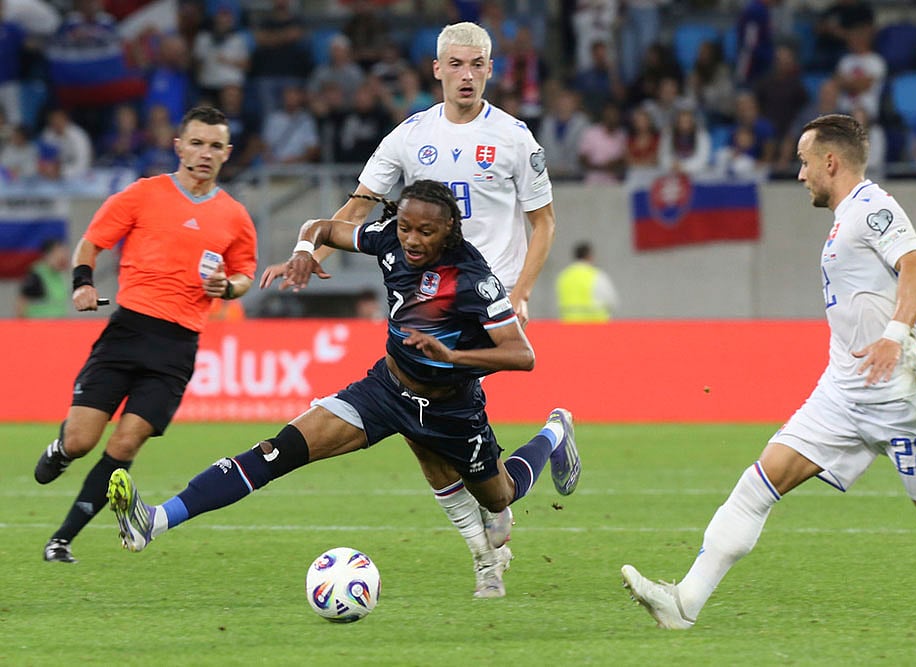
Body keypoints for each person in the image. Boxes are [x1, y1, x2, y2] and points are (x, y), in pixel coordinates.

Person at [107, 180, 581, 600]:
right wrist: (303, 252)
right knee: (278, 450)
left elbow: (523, 355)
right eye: (407, 227)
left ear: (450, 232)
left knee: (500, 496)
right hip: (385, 389)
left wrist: (454, 358)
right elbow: (322, 226)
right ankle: (154, 521)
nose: (412, 240)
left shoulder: (474, 281)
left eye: (426, 232)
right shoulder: (390, 238)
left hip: (450, 409)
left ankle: (554, 434)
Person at [621, 113, 916, 629]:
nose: (799, 175)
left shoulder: (873, 208)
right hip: (843, 392)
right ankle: (684, 604)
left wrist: (892, 337)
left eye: (803, 163)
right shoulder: (846, 218)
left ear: (829, 161)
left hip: (897, 397)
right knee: (760, 482)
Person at [259, 22, 559, 598]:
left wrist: (520, 290)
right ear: (438, 69)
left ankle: (491, 533)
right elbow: (360, 203)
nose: (467, 75)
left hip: (482, 302)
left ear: (490, 70)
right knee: (422, 424)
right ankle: (491, 541)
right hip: (427, 296)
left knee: (425, 421)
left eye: (477, 65)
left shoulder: (517, 139)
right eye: (457, 64)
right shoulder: (409, 136)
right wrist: (309, 246)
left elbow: (543, 221)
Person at [33, 105, 258, 564]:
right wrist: (83, 283)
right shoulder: (143, 194)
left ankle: (62, 539)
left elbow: (245, 275)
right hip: (128, 333)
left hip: (177, 347)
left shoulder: (234, 216)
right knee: (81, 441)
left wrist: (227, 287)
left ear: (227, 153)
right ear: (178, 145)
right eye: (196, 143)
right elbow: (92, 241)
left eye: (215, 146)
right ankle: (61, 448)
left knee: (125, 443)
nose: (204, 153)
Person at [555, 241, 618, 322]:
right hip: (593, 327)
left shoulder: (563, 276)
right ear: (589, 256)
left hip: (569, 327)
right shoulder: (597, 276)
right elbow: (612, 301)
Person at [15, 237, 70, 318]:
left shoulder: (60, 275)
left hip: (58, 324)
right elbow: (21, 302)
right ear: (48, 254)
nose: (63, 256)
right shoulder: (37, 274)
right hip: (39, 325)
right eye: (58, 253)